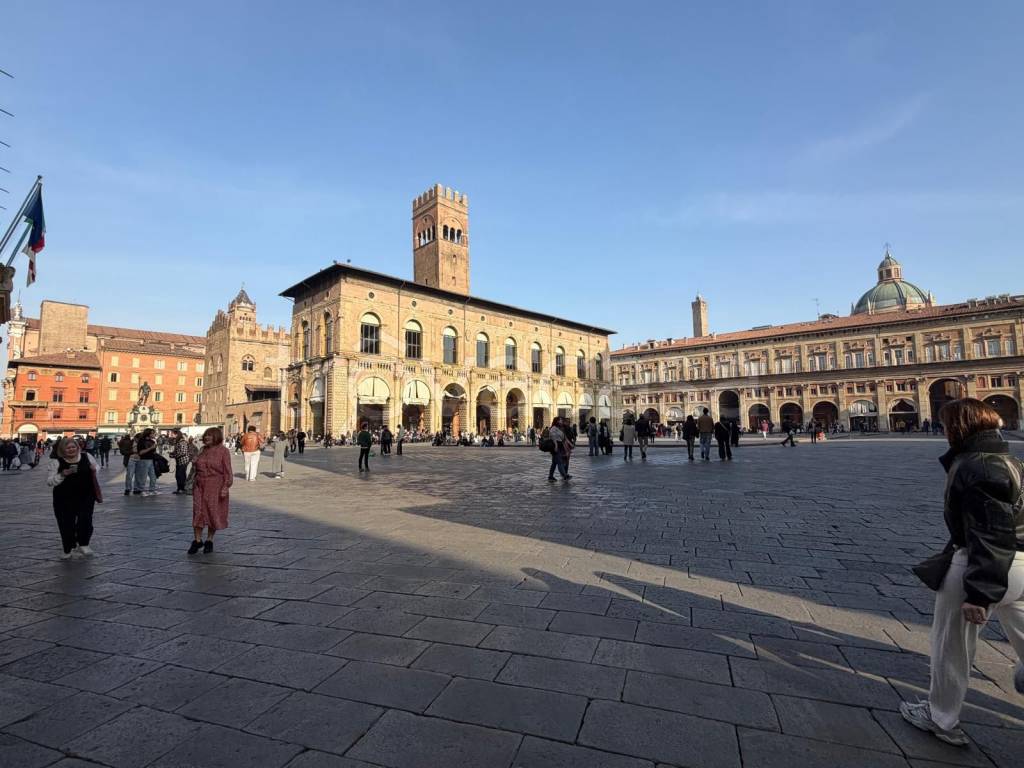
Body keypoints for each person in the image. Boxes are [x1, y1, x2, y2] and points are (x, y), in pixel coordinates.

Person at [900, 398, 1024, 746]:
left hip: (980, 565)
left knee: (951, 647)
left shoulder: (977, 467)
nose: (942, 430)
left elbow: (990, 531)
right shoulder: (1012, 461)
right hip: (1021, 565)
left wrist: (980, 592)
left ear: (959, 426)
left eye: (945, 424)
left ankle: (941, 717)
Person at [46, 437, 100, 559]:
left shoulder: (87, 457)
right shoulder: (56, 462)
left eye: (73, 447)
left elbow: (97, 467)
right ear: (62, 450)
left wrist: (94, 469)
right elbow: (50, 482)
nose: (71, 450)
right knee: (66, 523)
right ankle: (68, 547)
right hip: (63, 498)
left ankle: (84, 543)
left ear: (77, 447)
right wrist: (62, 474)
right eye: (68, 448)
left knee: (85, 520)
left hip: (86, 496)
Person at [189, 427, 232, 554]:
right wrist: (194, 461)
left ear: (216, 437)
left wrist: (226, 486)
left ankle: (209, 540)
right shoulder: (202, 450)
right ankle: (197, 540)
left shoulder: (223, 451)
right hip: (199, 485)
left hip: (215, 485)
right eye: (206, 435)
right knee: (198, 511)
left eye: (210, 435)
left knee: (212, 512)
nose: (207, 437)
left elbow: (228, 471)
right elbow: (195, 467)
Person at [135, 428, 159, 495]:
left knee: (153, 476)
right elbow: (140, 452)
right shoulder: (141, 441)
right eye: (153, 433)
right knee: (143, 477)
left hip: (151, 460)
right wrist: (151, 448)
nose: (154, 434)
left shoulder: (152, 441)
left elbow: (153, 452)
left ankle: (152, 490)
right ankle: (141, 490)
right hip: (144, 460)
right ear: (148, 434)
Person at [546, 416, 570, 482]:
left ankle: (550, 477)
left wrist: (569, 444)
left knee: (554, 463)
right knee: (560, 462)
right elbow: (553, 436)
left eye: (561, 420)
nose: (561, 421)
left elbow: (563, 437)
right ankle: (565, 476)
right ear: (557, 421)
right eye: (560, 420)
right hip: (556, 447)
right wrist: (556, 445)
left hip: (560, 446)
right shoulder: (553, 428)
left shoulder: (558, 428)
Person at [170, 428, 190, 494]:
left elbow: (183, 452)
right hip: (179, 461)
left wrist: (174, 456)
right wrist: (172, 453)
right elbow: (178, 451)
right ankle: (180, 489)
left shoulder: (182, 442)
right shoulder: (178, 441)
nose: (171, 435)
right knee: (178, 475)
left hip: (183, 461)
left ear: (176, 434)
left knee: (180, 475)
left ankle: (182, 489)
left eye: (172, 433)